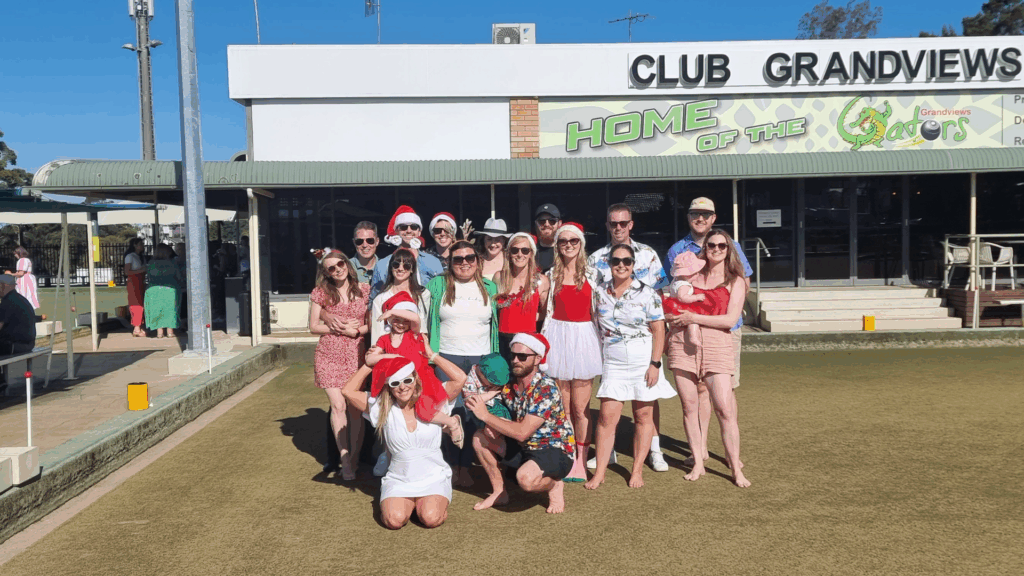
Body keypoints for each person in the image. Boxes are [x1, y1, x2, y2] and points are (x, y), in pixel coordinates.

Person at [665, 197, 753, 469]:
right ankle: (700, 450)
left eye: (706, 214)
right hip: (688, 334)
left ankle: (730, 455)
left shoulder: (731, 246)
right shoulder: (678, 249)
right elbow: (674, 288)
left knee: (726, 395)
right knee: (696, 394)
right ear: (688, 216)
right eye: (695, 214)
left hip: (724, 332)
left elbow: (743, 283)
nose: (700, 218)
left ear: (714, 218)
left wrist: (714, 311)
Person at [587, 203, 672, 473]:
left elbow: (661, 293)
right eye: (614, 223)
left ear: (631, 224)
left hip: (642, 344)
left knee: (646, 404)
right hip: (611, 349)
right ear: (607, 225)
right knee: (608, 410)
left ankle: (654, 451)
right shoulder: (596, 258)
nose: (619, 228)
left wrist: (656, 359)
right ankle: (607, 454)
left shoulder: (647, 254)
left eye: (623, 223)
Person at [341, 353, 468, 530]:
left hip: (433, 477)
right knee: (394, 520)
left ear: (415, 379)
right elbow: (347, 391)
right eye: (395, 383)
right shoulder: (381, 408)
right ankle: (409, 503)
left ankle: (427, 504)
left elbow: (460, 378)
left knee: (431, 518)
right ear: (389, 387)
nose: (402, 387)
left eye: (407, 380)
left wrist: (432, 355)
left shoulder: (433, 400)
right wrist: (368, 365)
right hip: (399, 479)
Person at [467, 333, 574, 514]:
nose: (515, 360)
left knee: (525, 479)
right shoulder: (509, 383)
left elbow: (522, 432)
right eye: (513, 355)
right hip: (523, 446)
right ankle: (499, 492)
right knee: (479, 438)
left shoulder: (545, 387)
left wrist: (486, 417)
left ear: (538, 359)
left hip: (552, 448)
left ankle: (554, 485)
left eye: (522, 356)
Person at [425, 240, 499, 487]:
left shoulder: (490, 287)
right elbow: (422, 315)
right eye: (458, 259)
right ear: (450, 262)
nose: (464, 263)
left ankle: (465, 466)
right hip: (446, 357)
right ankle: (448, 465)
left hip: (480, 360)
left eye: (470, 258)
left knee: (471, 413)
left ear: (478, 261)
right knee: (446, 412)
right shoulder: (437, 285)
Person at [541, 222, 601, 483]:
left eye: (573, 241)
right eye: (563, 241)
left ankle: (581, 460)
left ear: (581, 244)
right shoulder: (550, 275)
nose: (568, 245)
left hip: (584, 339)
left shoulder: (594, 275)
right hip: (558, 339)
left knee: (580, 407)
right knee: (563, 407)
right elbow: (544, 312)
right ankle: (567, 457)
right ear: (557, 245)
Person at [369, 292, 464, 447]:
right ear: (390, 320)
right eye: (396, 320)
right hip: (399, 383)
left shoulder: (413, 334)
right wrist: (392, 357)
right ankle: (391, 453)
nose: (400, 324)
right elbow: (370, 359)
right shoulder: (384, 339)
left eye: (404, 321)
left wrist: (393, 311)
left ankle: (452, 423)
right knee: (398, 416)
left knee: (423, 412)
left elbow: (416, 319)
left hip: (421, 380)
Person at [308, 248, 370, 481]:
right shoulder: (321, 293)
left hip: (356, 354)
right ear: (326, 273)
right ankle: (344, 460)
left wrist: (355, 331)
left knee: (355, 408)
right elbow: (313, 326)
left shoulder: (365, 290)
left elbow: (369, 325)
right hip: (329, 354)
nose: (337, 270)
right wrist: (338, 327)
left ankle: (353, 459)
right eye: (331, 268)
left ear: (347, 264)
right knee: (338, 406)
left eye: (340, 264)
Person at [493, 232, 550, 363]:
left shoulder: (542, 281)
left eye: (525, 250)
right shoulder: (499, 277)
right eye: (515, 250)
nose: (520, 255)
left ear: (531, 254)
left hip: (526, 342)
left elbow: (544, 313)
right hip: (501, 341)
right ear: (509, 253)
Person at [370, 206, 444, 299]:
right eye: (403, 227)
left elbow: (442, 296)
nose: (409, 231)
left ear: (419, 232)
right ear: (396, 231)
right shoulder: (382, 265)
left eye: (413, 227)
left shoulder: (433, 262)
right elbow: (373, 299)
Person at [368, 248, 430, 344]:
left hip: (415, 348)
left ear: (412, 269)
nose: (400, 269)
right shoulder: (380, 299)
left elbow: (423, 328)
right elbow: (377, 334)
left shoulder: (423, 294)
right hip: (390, 351)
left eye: (406, 266)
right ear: (391, 267)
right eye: (396, 264)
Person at [144, 244, 183, 339]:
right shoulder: (172, 263)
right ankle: (170, 332)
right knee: (171, 310)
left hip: (153, 289)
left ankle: (159, 333)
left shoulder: (151, 263)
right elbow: (179, 276)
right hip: (170, 289)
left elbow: (148, 276)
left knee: (156, 310)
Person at [0, 274, 36, 356]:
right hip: (27, 344)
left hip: (14, 345)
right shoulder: (20, 299)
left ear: (3, 286)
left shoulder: (8, 301)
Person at [123, 238, 147, 337]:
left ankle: (139, 326)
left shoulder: (141, 257)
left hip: (141, 281)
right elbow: (127, 271)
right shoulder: (130, 256)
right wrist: (141, 270)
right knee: (136, 303)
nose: (143, 246)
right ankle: (136, 328)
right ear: (135, 245)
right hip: (133, 282)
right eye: (141, 244)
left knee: (141, 304)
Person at [533, 203, 562, 272]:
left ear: (559, 223)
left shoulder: (566, 250)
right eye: (542, 221)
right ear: (536, 223)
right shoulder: (528, 251)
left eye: (552, 221)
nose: (546, 224)